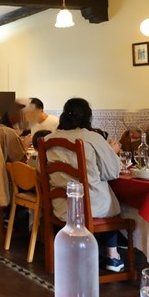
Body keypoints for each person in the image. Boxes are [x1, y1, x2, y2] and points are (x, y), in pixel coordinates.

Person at [44, 97, 124, 272]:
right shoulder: (92, 137)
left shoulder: (49, 139)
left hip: (60, 206)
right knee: (114, 204)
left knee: (106, 199)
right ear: (88, 116)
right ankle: (112, 255)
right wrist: (112, 152)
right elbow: (113, 172)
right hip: (89, 207)